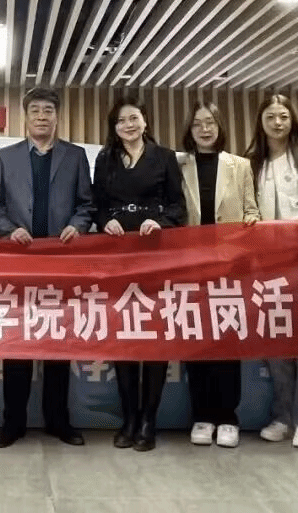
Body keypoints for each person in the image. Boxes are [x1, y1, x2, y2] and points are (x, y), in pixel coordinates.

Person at [0, 86, 94, 448]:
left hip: (61, 264)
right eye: (35, 110)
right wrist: (8, 229)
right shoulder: (5, 157)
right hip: (19, 263)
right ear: (26, 116)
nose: (42, 116)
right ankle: (12, 423)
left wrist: (77, 225)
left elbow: (86, 204)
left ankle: (58, 421)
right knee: (17, 345)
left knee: (58, 344)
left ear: (57, 116)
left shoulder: (75, 156)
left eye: (48, 110)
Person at [93, 97, 184, 452]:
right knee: (124, 335)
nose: (128, 125)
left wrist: (160, 221)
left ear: (145, 121)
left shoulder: (165, 157)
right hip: (118, 254)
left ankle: (149, 420)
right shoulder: (105, 159)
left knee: (155, 336)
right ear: (114, 128)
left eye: (134, 118)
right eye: (121, 121)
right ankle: (129, 418)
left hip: (156, 253)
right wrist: (105, 221)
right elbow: (97, 205)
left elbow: (178, 206)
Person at [246, 94, 298, 449]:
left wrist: (294, 227)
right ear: (261, 122)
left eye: (283, 116)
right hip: (267, 264)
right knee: (275, 340)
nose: (277, 123)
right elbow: (247, 210)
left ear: (292, 120)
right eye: (270, 116)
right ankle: (282, 416)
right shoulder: (252, 162)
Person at [179, 102, 259, 449]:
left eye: (210, 122)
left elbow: (252, 209)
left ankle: (228, 417)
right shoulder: (178, 164)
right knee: (196, 341)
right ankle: (202, 415)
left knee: (227, 340)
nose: (205, 129)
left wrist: (253, 220)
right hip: (190, 266)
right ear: (190, 129)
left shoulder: (240, 165)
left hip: (230, 266)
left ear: (219, 126)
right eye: (198, 124)